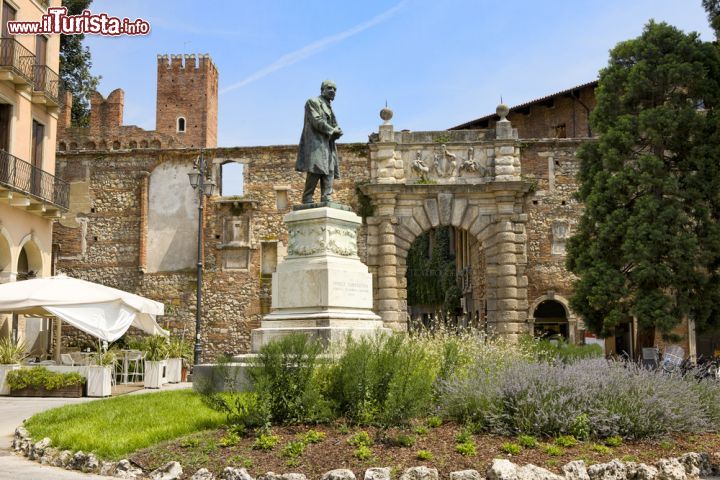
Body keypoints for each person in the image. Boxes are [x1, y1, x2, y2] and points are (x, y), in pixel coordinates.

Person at [296, 80, 343, 204]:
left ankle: (326, 197)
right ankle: (307, 197)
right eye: (329, 88)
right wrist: (332, 130)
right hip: (316, 142)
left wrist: (337, 130)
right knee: (316, 168)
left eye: (335, 89)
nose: (332, 91)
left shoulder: (329, 107)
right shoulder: (313, 102)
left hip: (328, 143)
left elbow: (334, 124)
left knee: (330, 168)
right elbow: (317, 120)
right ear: (322, 90)